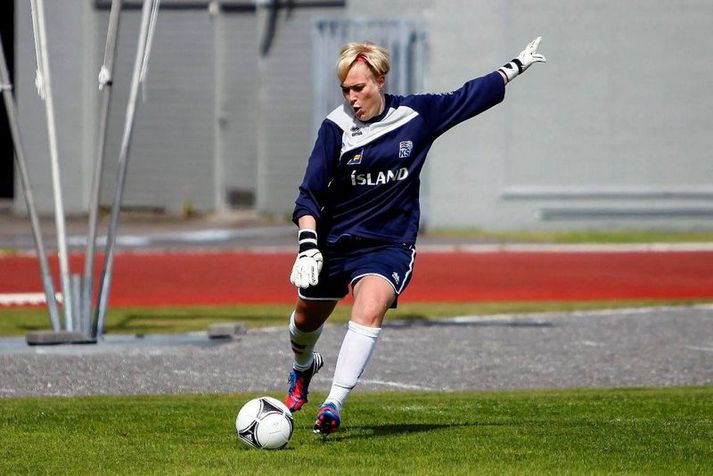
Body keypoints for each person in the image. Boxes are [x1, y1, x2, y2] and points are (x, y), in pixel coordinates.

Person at [285, 37, 546, 435]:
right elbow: (309, 195)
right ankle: (303, 369)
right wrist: (307, 248)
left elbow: (467, 98)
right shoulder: (334, 129)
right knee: (305, 321)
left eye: (360, 88)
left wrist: (513, 68)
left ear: (381, 80)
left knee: (369, 307)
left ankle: (333, 404)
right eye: (346, 90)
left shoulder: (416, 115)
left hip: (388, 244)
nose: (352, 98)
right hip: (335, 243)